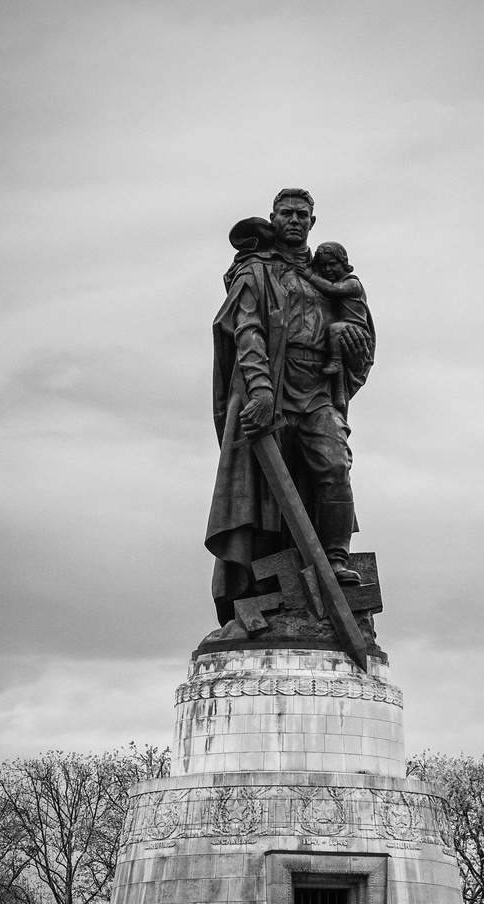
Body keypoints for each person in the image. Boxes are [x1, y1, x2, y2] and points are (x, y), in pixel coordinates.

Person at [205, 188, 375, 627]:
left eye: (303, 214)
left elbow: (360, 332)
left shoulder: (330, 275)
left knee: (334, 467)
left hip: (317, 385)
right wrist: (260, 391)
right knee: (264, 494)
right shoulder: (257, 271)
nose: (294, 220)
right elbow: (247, 331)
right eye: (286, 213)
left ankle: (335, 561)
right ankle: (263, 593)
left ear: (313, 223)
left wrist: (348, 332)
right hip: (274, 388)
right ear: (273, 218)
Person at [297, 241, 370, 412]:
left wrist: (310, 276)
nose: (327, 269)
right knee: (338, 368)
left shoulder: (353, 283)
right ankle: (338, 395)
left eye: (332, 264)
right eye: (323, 266)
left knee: (334, 329)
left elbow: (333, 289)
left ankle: (336, 362)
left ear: (344, 263)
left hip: (354, 328)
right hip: (342, 328)